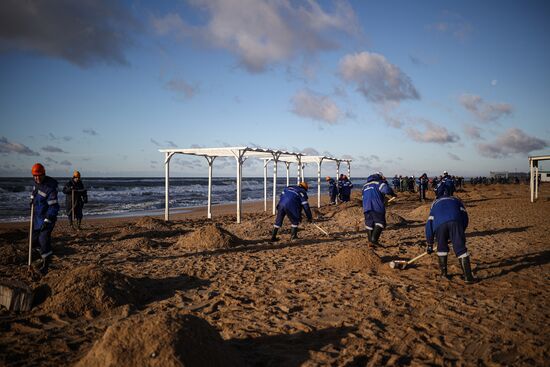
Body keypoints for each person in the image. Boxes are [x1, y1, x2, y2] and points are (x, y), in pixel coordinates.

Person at [425, 195, 475, 283]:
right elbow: (465, 218)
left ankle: (444, 274)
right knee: (461, 249)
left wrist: (430, 244)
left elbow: (429, 227)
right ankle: (468, 277)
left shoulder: (434, 206)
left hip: (439, 225)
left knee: (441, 248)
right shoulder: (457, 201)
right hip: (456, 222)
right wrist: (459, 232)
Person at [30, 163, 59, 275]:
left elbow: (54, 206)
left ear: (43, 174)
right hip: (37, 218)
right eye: (35, 175)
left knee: (43, 240)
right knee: (33, 241)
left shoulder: (50, 188)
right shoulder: (36, 183)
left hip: (47, 219)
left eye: (39, 175)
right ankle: (44, 256)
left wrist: (48, 219)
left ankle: (46, 264)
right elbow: (34, 194)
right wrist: (31, 200)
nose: (37, 178)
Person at [362, 172, 396, 245]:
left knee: (369, 224)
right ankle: (374, 240)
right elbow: (386, 190)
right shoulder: (379, 183)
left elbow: (363, 197)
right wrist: (392, 193)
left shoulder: (365, 186)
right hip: (377, 206)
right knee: (380, 222)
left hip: (366, 207)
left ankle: (370, 242)